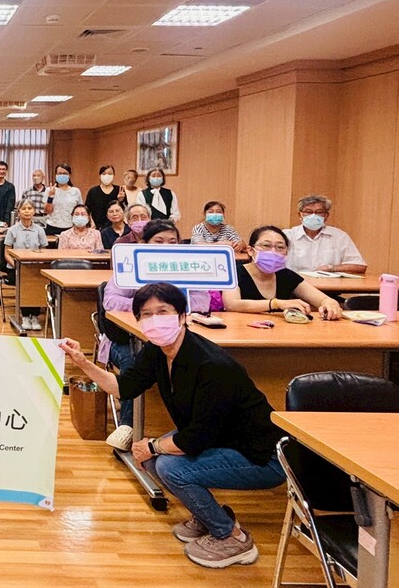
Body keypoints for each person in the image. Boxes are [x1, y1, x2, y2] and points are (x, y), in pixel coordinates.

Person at [61, 283, 286, 569]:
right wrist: (82, 362)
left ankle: (232, 537)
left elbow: (196, 439)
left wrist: (153, 446)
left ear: (182, 316)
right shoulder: (157, 351)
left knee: (168, 465)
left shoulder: (211, 365)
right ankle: (208, 516)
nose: (155, 320)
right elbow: (123, 387)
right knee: (153, 459)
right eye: (146, 314)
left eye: (163, 311)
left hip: (263, 457)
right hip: (220, 439)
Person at [102, 220, 211, 451]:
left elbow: (203, 300)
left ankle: (193, 428)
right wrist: (148, 307)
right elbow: (110, 300)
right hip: (126, 339)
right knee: (135, 359)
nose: (167, 247)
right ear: (144, 244)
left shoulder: (186, 268)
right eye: (159, 241)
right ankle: (129, 425)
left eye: (172, 242)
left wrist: (169, 310)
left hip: (178, 335)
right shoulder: (132, 267)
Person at [223, 226, 343, 319]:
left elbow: (323, 299)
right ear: (250, 250)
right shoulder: (234, 272)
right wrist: (276, 304)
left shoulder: (285, 275)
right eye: (266, 245)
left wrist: (331, 304)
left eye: (280, 247)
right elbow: (232, 304)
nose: (273, 251)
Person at [284, 194, 367, 274]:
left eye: (319, 212)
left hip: (328, 282)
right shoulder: (287, 236)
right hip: (295, 282)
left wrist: (331, 268)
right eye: (308, 212)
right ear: (300, 215)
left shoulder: (339, 236)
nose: (313, 215)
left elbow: (359, 266)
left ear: (326, 216)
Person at [3, 199, 46, 331]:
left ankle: (35, 316)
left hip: (34, 267)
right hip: (15, 268)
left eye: (30, 208)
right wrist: (16, 266)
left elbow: (44, 251)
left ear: (34, 211)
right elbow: (6, 253)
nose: (27, 211)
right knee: (24, 282)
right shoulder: (12, 230)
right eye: (24, 208)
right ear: (19, 212)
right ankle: (25, 316)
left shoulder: (40, 230)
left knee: (36, 283)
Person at [44, 163, 82, 236]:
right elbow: (47, 211)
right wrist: (50, 197)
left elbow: (80, 210)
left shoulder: (76, 191)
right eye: (59, 173)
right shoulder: (49, 190)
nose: (62, 175)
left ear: (69, 175)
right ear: (55, 175)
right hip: (52, 227)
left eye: (65, 174)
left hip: (70, 227)